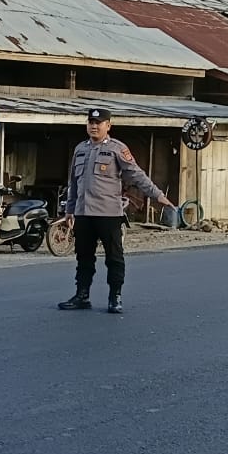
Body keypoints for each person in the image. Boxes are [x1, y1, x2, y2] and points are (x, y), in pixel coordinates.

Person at [58, 108, 174, 315]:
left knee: (114, 257)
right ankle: (82, 295)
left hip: (108, 214)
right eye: (91, 122)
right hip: (83, 213)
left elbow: (136, 174)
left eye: (99, 123)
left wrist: (156, 194)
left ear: (108, 126)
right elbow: (73, 183)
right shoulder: (80, 149)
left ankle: (115, 296)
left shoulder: (116, 149)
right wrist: (69, 209)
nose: (94, 126)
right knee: (84, 256)